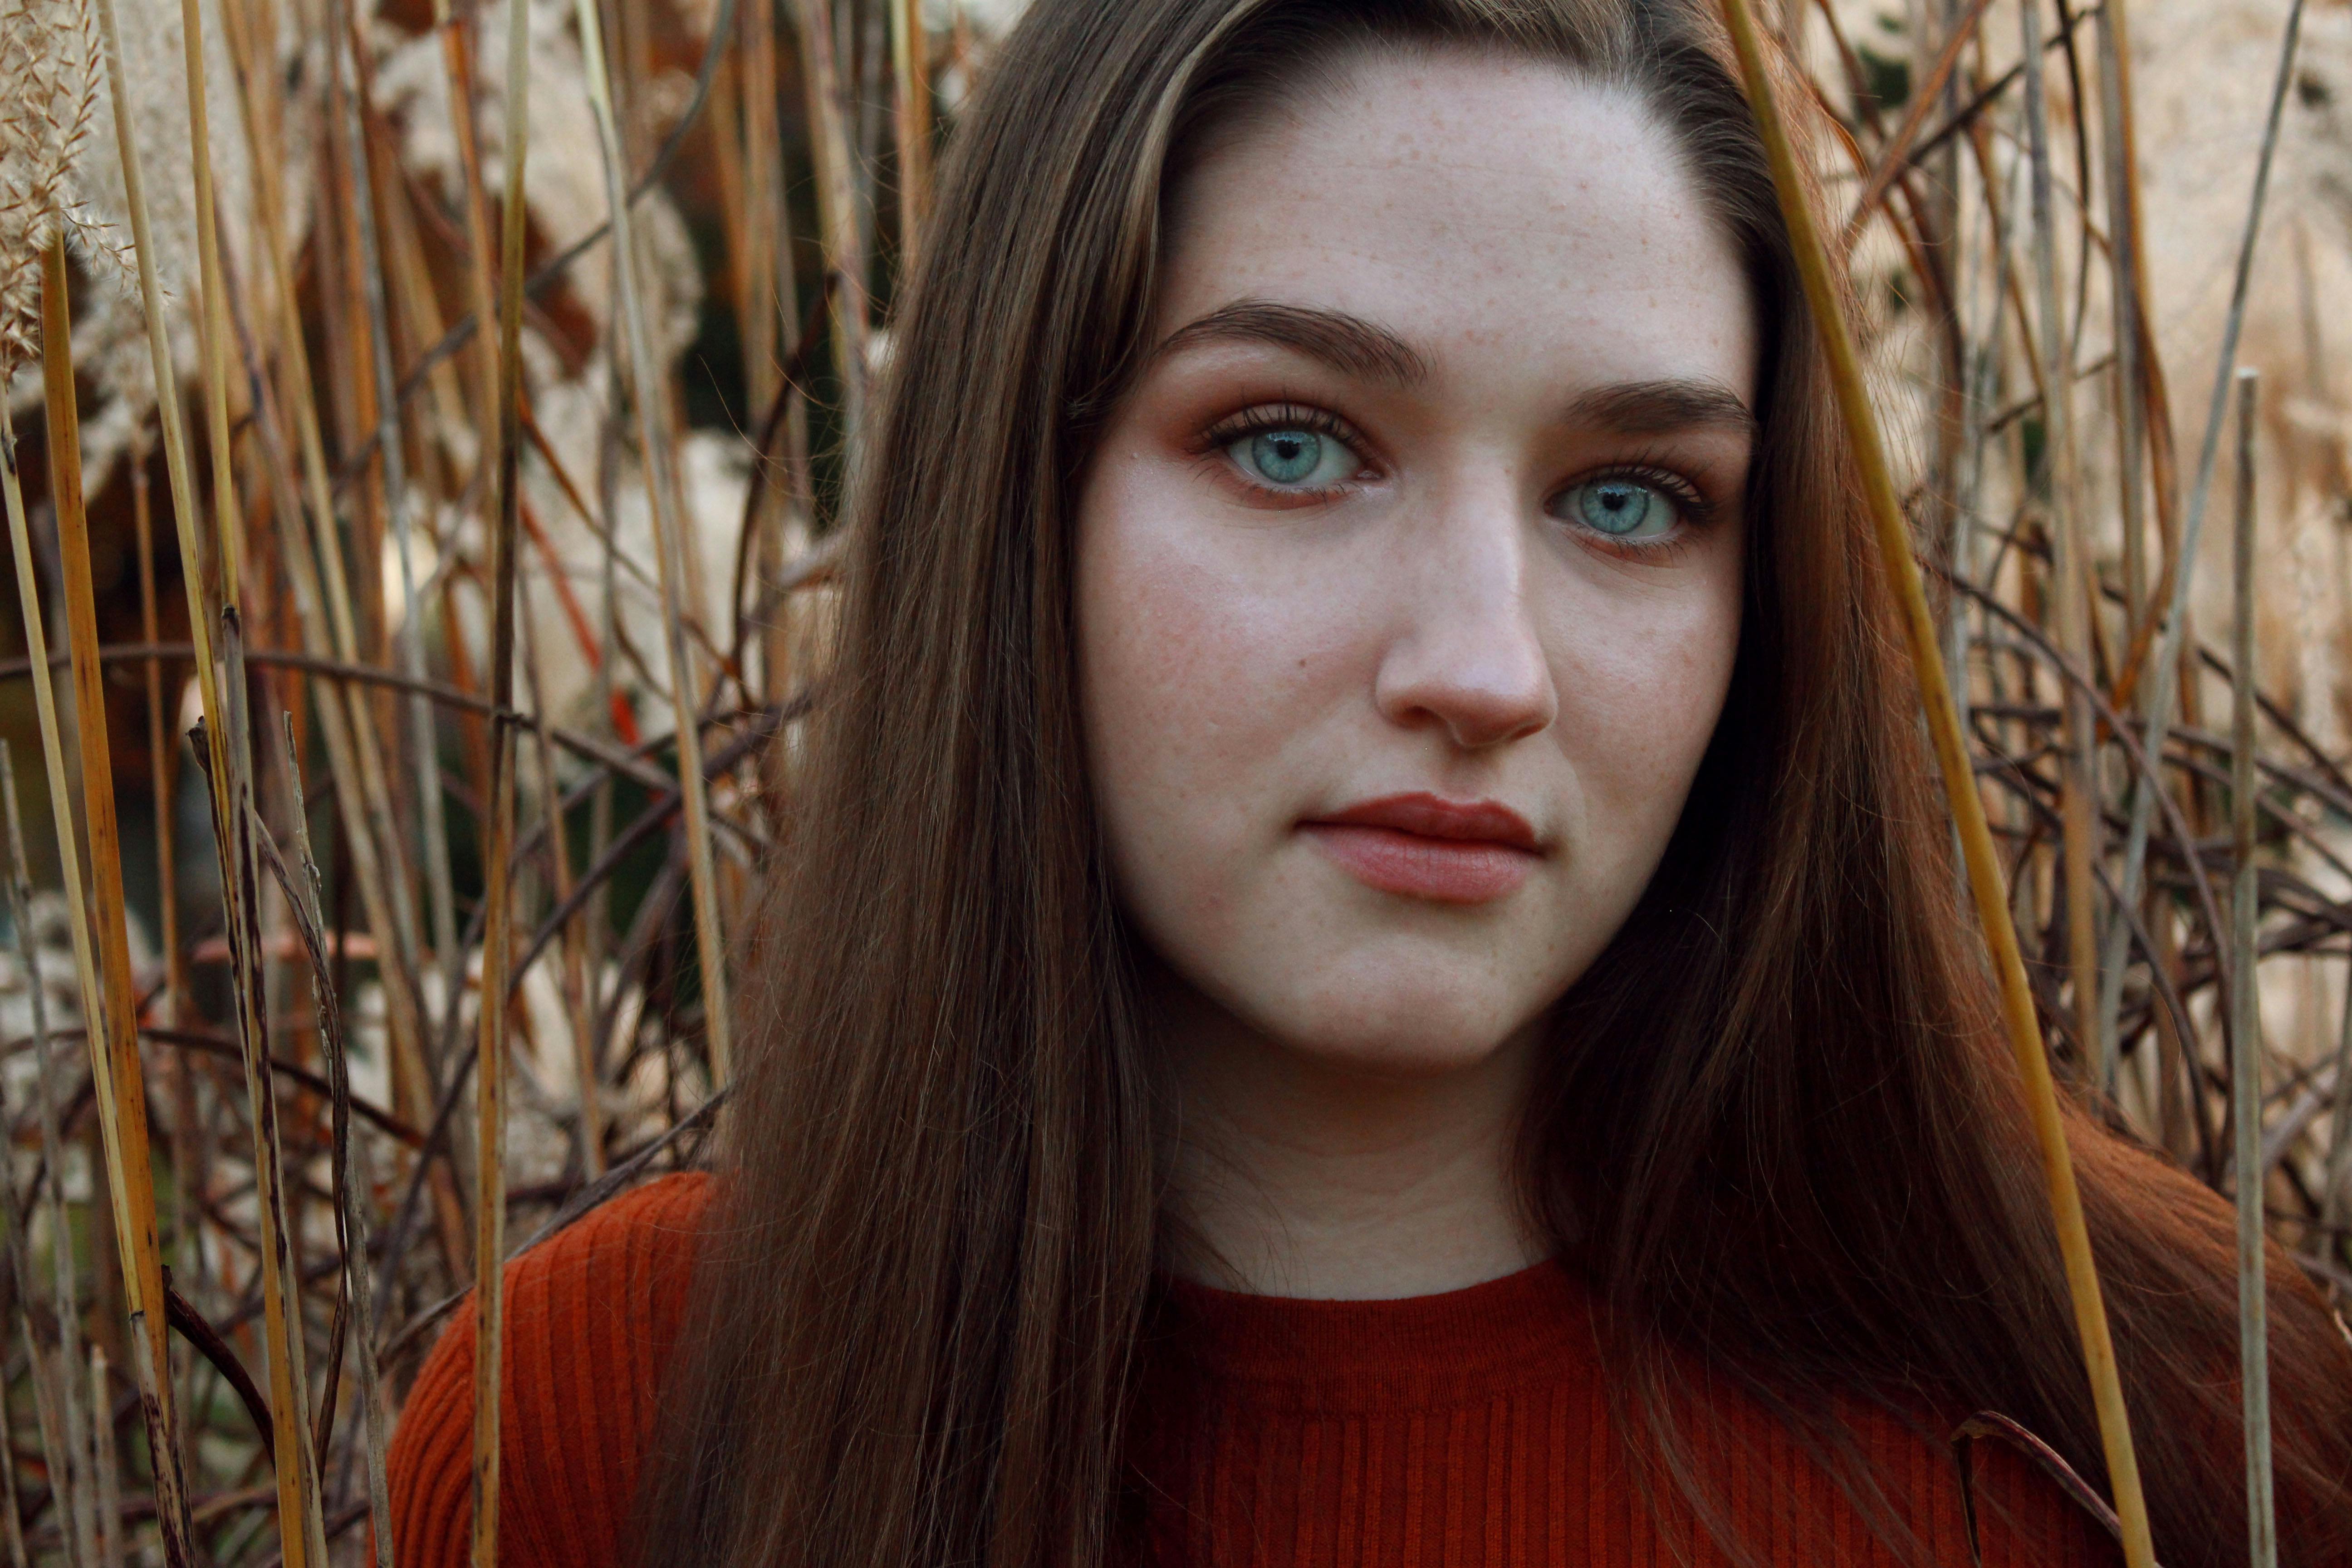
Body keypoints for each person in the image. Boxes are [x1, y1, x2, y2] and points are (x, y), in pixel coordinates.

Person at [387, 0, 2352, 1563]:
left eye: (1631, 496)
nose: (1485, 671)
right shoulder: (605, 1422)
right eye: (1297, 446)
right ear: (1023, 507)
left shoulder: (2153, 1432)